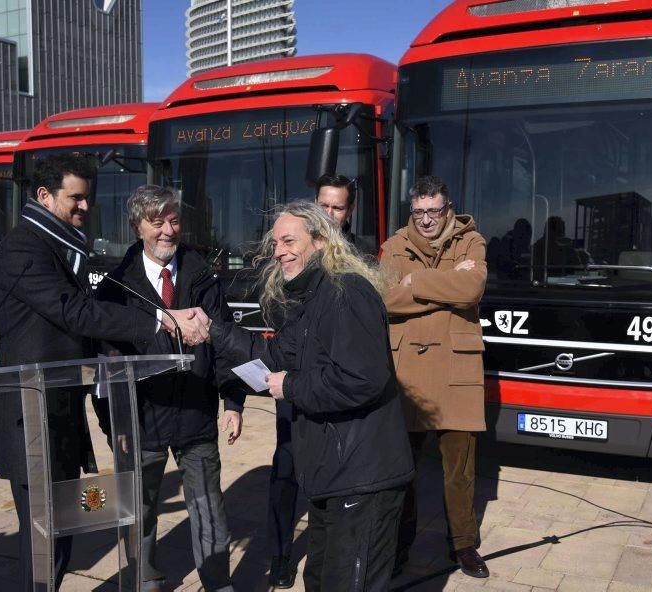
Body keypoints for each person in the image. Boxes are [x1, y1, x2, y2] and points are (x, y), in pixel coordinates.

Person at [0, 155, 207, 590]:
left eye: (88, 198)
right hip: (31, 418)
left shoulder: (59, 246)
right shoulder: (24, 248)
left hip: (59, 414)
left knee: (62, 534)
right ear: (44, 196)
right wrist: (158, 320)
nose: (85, 207)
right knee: (41, 546)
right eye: (77, 197)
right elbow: (73, 311)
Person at [202, 201, 414, 591]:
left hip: (362, 480)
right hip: (332, 476)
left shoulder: (345, 292)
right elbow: (272, 359)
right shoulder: (312, 298)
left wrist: (292, 387)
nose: (279, 251)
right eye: (275, 243)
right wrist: (213, 330)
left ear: (320, 240)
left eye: (288, 240)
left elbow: (364, 378)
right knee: (320, 581)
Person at [94, 185, 243, 592]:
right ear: (137, 227)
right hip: (141, 424)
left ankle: (217, 582)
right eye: (156, 222)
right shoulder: (115, 285)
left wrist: (233, 401)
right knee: (137, 511)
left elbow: (226, 342)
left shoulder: (202, 275)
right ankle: (145, 581)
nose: (167, 231)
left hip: (195, 417)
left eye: (174, 220)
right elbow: (104, 368)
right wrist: (115, 429)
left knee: (208, 508)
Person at [380, 175, 489, 579]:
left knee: (460, 471)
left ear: (448, 209)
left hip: (456, 370)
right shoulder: (394, 246)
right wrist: (446, 286)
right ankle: (398, 546)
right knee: (401, 469)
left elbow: (472, 288)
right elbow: (385, 298)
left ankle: (463, 546)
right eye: (419, 212)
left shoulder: (471, 241)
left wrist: (417, 283)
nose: (426, 220)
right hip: (406, 373)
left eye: (434, 211)